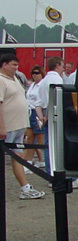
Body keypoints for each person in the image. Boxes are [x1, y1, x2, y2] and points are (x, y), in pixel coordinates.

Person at [0, 54, 45, 199]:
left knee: (18, 157)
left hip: (19, 126)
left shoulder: (15, 79)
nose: (16, 67)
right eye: (13, 64)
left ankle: (25, 188)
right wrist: (1, 127)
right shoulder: (1, 80)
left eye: (17, 65)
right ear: (4, 64)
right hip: (7, 126)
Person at [37, 56, 64, 175]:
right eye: (62, 66)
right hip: (55, 114)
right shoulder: (57, 80)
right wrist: (47, 116)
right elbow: (53, 100)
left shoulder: (43, 81)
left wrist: (42, 117)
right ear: (57, 65)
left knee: (49, 145)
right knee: (58, 146)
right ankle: (56, 173)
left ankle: (50, 172)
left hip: (45, 114)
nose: (63, 69)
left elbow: (38, 103)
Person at [24, 65, 46, 173]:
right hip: (29, 111)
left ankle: (44, 160)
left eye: (37, 73)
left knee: (40, 140)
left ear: (42, 74)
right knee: (30, 138)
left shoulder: (42, 85)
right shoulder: (32, 85)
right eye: (33, 73)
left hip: (37, 112)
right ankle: (28, 162)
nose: (34, 75)